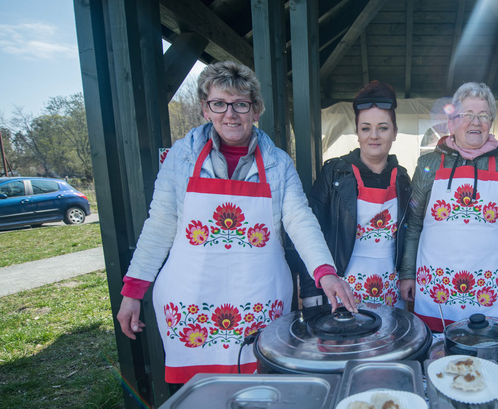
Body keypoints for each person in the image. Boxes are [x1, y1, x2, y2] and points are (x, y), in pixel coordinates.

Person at [115, 61, 356, 383]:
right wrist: (133, 290)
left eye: (241, 105)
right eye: (219, 104)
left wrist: (324, 272)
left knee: (259, 386)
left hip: (259, 294)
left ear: (256, 110)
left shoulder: (278, 163)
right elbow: (159, 225)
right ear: (205, 109)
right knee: (199, 395)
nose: (230, 114)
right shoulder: (180, 159)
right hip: (190, 297)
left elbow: (300, 219)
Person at [400, 82, 498, 331]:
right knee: (436, 359)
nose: (476, 122)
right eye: (467, 115)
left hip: (490, 291)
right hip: (436, 291)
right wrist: (408, 273)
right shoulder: (428, 163)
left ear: (490, 123)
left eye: (483, 116)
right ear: (451, 123)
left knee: (487, 357)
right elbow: (413, 223)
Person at [300, 81, 412, 307]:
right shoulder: (333, 173)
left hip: (391, 292)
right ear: (357, 132)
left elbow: (410, 235)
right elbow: (310, 232)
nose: (374, 136)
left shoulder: (403, 179)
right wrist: (311, 290)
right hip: (341, 291)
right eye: (365, 128)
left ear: (395, 133)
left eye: (383, 127)